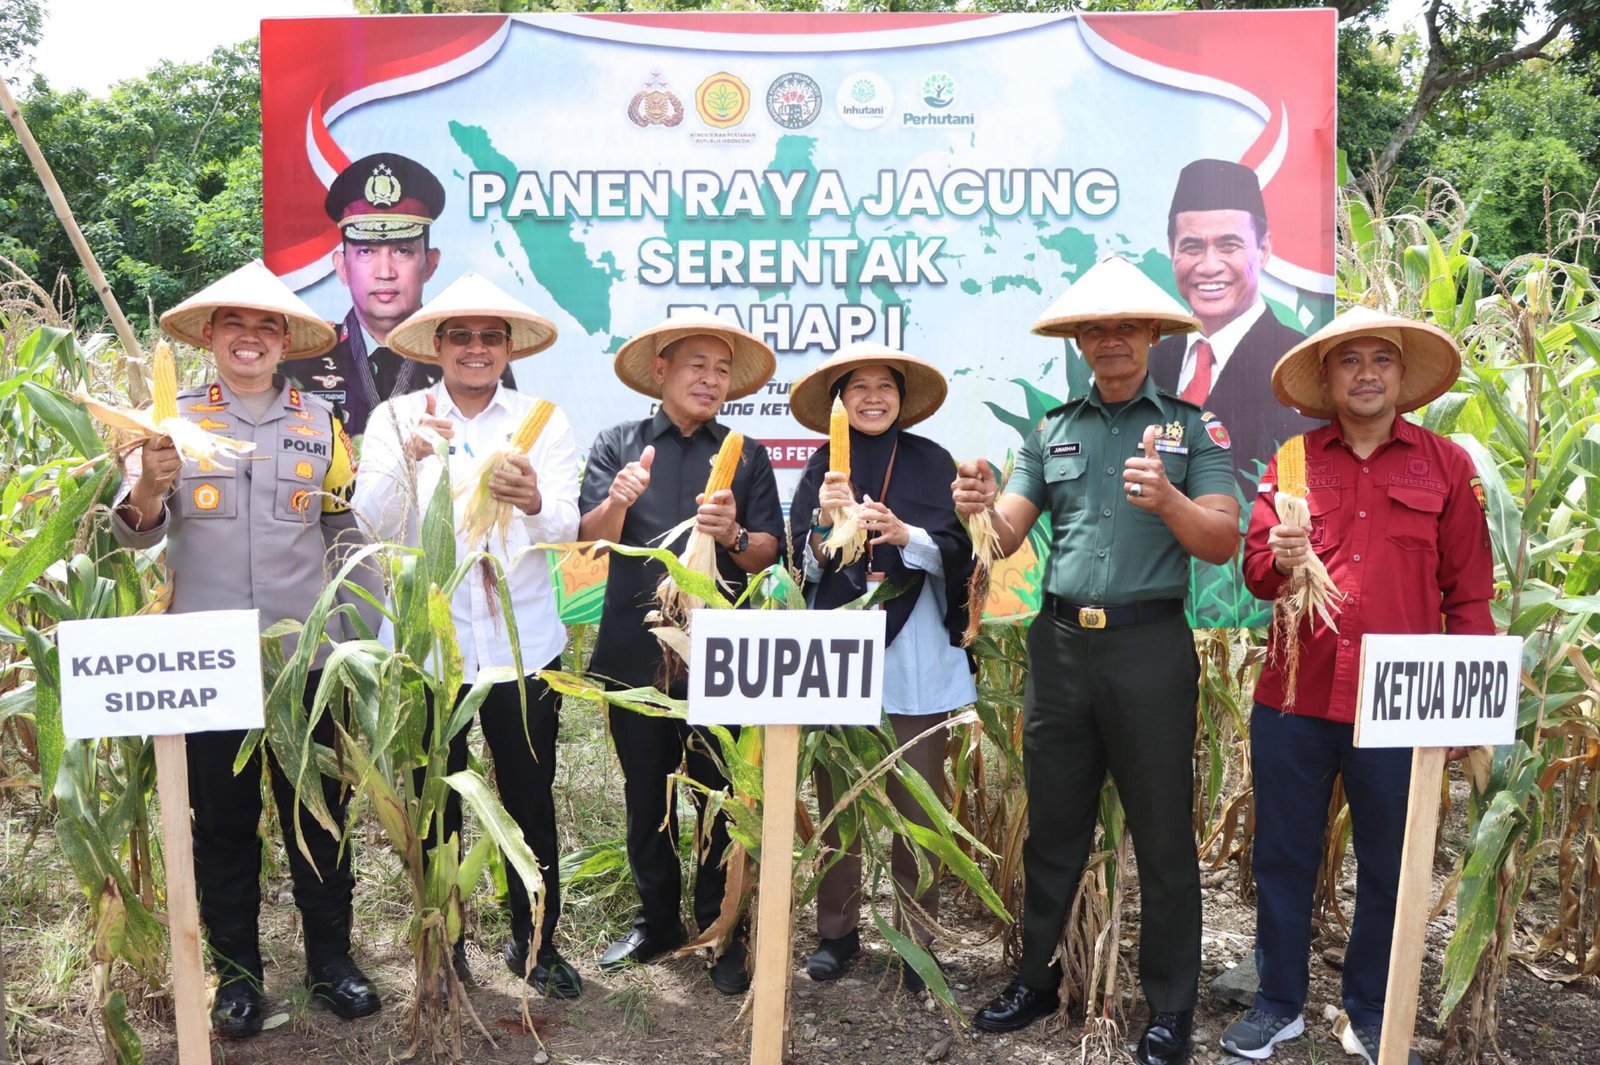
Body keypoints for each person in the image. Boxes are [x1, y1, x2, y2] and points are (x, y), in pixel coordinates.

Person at [953, 255, 1241, 1065]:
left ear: (1151, 336)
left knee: (1163, 834)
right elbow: (1005, 535)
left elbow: (1222, 539)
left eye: (1126, 327)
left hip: (1150, 649)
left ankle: (1170, 1008)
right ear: (1079, 341)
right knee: (1054, 826)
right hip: (1060, 650)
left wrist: (1170, 499)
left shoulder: (1194, 428)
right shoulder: (1052, 430)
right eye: (1096, 329)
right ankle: (1036, 980)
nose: (1111, 339)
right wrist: (978, 507)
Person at [110, 260, 381, 1038]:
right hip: (207, 663)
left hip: (306, 659)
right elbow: (134, 535)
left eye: (268, 326)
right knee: (223, 823)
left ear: (285, 342)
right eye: (236, 323)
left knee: (318, 815)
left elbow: (343, 533)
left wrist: (361, 641)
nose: (251, 337)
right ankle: (237, 978)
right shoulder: (168, 423)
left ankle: (331, 960)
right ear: (210, 336)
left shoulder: (321, 423)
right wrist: (151, 484)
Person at [1224, 307, 1493, 1065]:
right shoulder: (1294, 461)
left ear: (1401, 375)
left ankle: (1372, 1011)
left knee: (1390, 865)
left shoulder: (1446, 466)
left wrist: (1463, 708)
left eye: (1381, 359)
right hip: (1294, 698)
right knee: (1282, 856)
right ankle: (1278, 1003)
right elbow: (1256, 574)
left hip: (1399, 706)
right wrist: (1280, 558)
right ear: (1329, 377)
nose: (1366, 374)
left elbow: (1471, 596)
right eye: (1350, 361)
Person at [350, 272, 582, 997]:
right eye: (460, 336)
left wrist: (534, 501)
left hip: (523, 644)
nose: (475, 348)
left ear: (508, 347)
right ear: (437, 346)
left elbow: (566, 527)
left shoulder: (544, 419)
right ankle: (444, 946)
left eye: (490, 336)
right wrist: (411, 459)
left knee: (529, 797)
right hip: (429, 648)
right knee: (435, 802)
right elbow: (369, 521)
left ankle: (536, 942)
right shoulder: (396, 417)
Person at [578, 309, 784, 994]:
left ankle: (720, 924)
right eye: (697, 364)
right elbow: (591, 541)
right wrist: (618, 500)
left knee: (721, 793)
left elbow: (768, 552)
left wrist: (732, 536)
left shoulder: (747, 454)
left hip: (720, 654)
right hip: (635, 651)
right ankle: (657, 919)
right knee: (646, 791)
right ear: (661, 370)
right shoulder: (620, 443)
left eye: (722, 369)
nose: (710, 378)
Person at [786, 343, 977, 990]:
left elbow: (960, 552)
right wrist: (826, 525)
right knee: (837, 798)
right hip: (839, 651)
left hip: (917, 655)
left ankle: (917, 941)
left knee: (918, 806)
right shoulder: (822, 465)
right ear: (839, 401)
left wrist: (906, 535)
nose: (872, 397)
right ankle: (836, 932)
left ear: (901, 397)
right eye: (858, 387)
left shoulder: (932, 461)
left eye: (884, 387)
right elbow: (802, 566)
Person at [289, 152, 510, 439]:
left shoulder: (473, 355)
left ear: (430, 264)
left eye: (402, 251)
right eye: (366, 252)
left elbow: (502, 445)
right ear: (342, 267)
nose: (385, 272)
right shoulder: (303, 358)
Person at [1149, 159, 1316, 479]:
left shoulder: (1302, 364)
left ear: (1263, 249)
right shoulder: (1151, 363)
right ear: (1172, 250)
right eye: (1192, 247)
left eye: (1228, 246)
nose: (1209, 266)